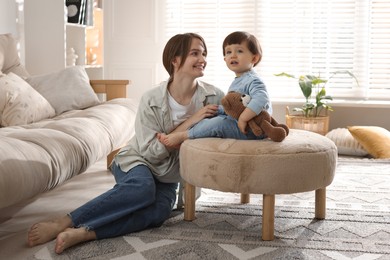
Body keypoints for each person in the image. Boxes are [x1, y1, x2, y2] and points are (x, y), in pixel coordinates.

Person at [27, 32, 225, 254]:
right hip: (138, 159)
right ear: (175, 60)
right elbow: (151, 153)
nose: (203, 59)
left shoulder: (214, 96)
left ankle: (85, 233)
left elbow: (233, 119)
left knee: (159, 212)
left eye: (204, 53)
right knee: (142, 188)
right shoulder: (152, 99)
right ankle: (64, 222)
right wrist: (193, 120)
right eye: (195, 53)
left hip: (169, 175)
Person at [158, 31, 272, 148]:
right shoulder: (238, 81)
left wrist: (243, 118)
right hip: (247, 125)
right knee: (209, 122)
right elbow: (239, 108)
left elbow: (261, 99)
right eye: (228, 52)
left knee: (218, 124)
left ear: (254, 58)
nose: (233, 55)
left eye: (239, 51)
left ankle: (183, 136)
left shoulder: (253, 80)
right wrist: (220, 110)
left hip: (254, 128)